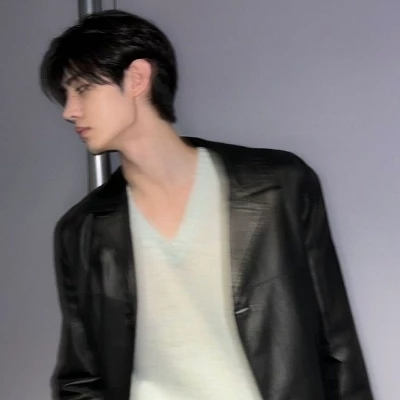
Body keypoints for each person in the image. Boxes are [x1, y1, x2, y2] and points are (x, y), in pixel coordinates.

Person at [40, 9, 373, 400]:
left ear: (137, 78)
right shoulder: (81, 231)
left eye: (82, 89)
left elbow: (337, 344)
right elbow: (81, 379)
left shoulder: (279, 187)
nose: (69, 111)